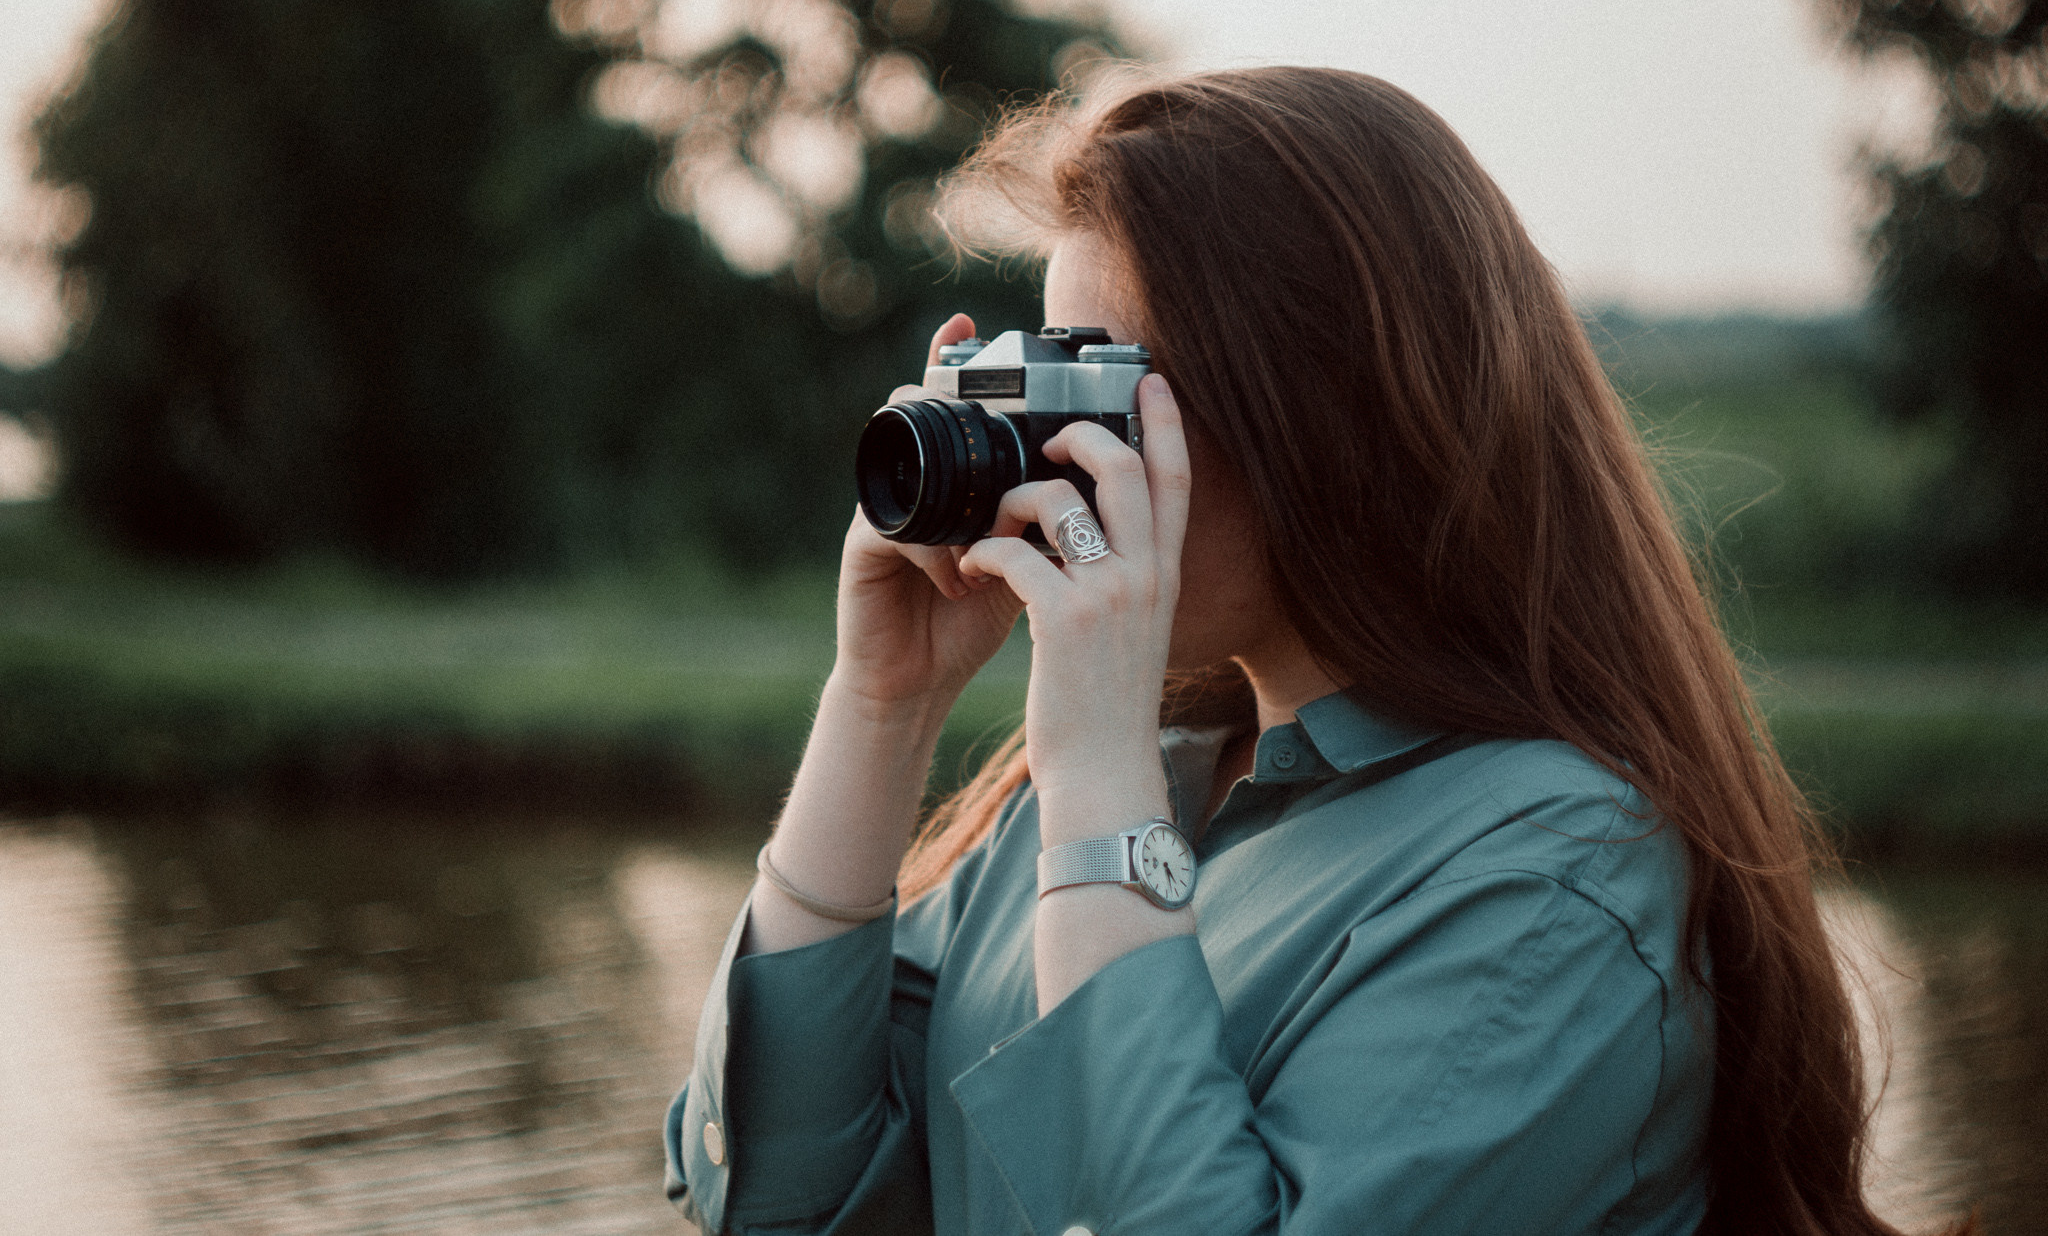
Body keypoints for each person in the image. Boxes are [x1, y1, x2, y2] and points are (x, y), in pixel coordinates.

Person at [663, 67, 1962, 1236]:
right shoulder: (1127, 775)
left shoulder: (1552, 871)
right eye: (1046, 368)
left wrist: (1097, 791)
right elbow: (783, 1198)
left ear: (1329, 415)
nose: (1058, 451)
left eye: (1113, 387)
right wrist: (881, 703)